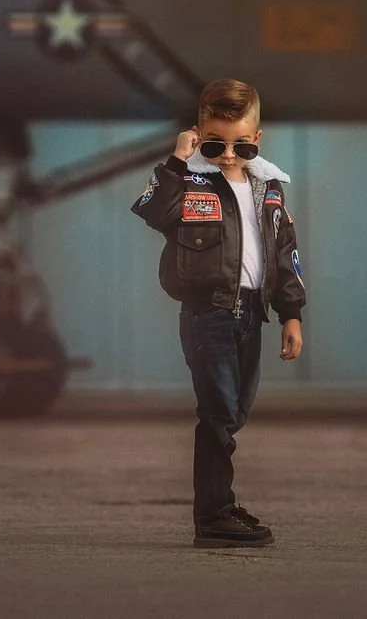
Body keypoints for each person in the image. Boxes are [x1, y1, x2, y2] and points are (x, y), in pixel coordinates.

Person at [130, 78, 306, 548]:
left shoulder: (268, 187)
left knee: (235, 411)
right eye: (215, 143)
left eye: (240, 145)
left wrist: (291, 314)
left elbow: (284, 252)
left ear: (257, 140)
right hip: (207, 314)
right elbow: (150, 210)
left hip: (253, 314)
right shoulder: (187, 180)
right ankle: (213, 515)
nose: (228, 155)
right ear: (197, 135)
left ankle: (220, 506)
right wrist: (178, 160)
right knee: (218, 412)